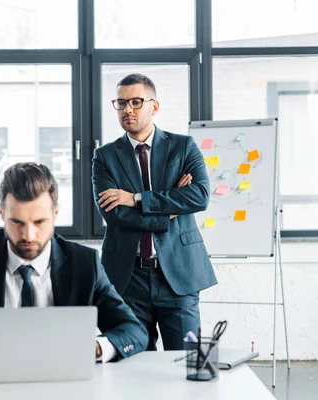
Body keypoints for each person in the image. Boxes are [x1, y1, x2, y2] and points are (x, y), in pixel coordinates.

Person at [0, 162, 148, 367]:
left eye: (39, 222)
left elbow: (134, 331)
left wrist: (94, 348)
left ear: (55, 214)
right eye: (17, 222)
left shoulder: (85, 263)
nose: (28, 235)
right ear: (1, 214)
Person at [92, 73, 217, 351]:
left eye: (136, 102)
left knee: (185, 364)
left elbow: (199, 196)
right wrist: (171, 207)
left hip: (178, 274)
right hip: (128, 278)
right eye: (121, 103)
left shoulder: (183, 147)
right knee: (133, 366)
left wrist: (134, 198)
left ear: (154, 107)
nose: (128, 110)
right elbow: (113, 215)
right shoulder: (105, 157)